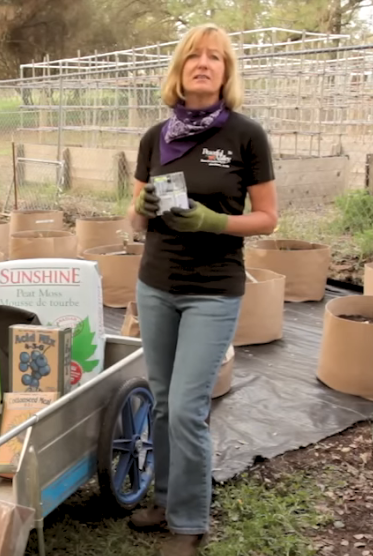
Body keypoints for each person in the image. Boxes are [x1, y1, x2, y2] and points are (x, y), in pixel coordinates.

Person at [125, 22, 279, 556]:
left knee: (189, 407)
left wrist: (214, 223)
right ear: (180, 68)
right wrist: (140, 211)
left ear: (225, 72)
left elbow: (268, 219)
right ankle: (165, 498)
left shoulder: (245, 135)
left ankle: (189, 523)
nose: (204, 63)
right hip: (157, 284)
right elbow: (134, 220)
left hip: (213, 290)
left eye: (215, 56)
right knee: (165, 402)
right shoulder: (155, 137)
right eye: (194, 55)